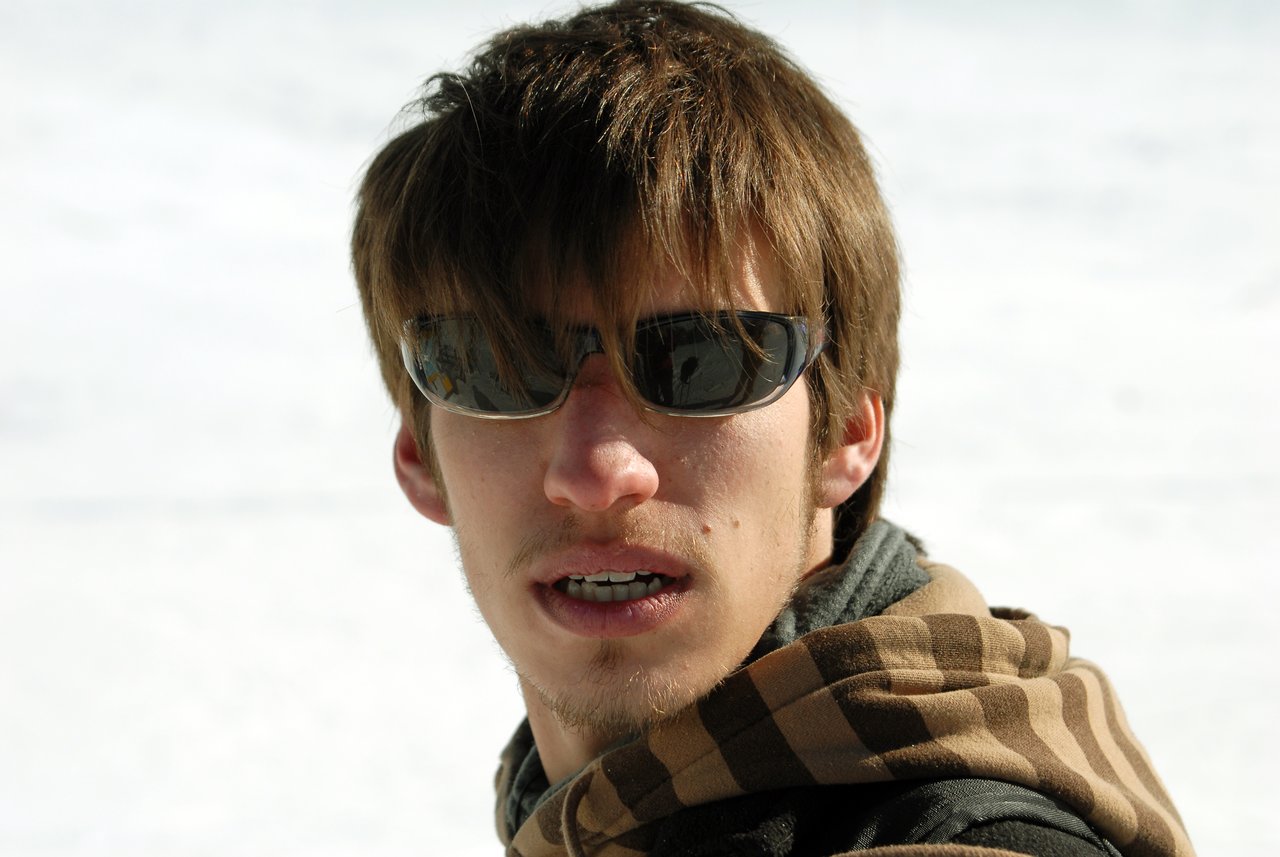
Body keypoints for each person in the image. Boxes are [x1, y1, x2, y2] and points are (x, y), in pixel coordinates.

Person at [351, 2, 1194, 855]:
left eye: (701, 361)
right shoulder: (579, 809)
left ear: (846, 436)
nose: (600, 470)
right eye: (495, 366)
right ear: (420, 453)